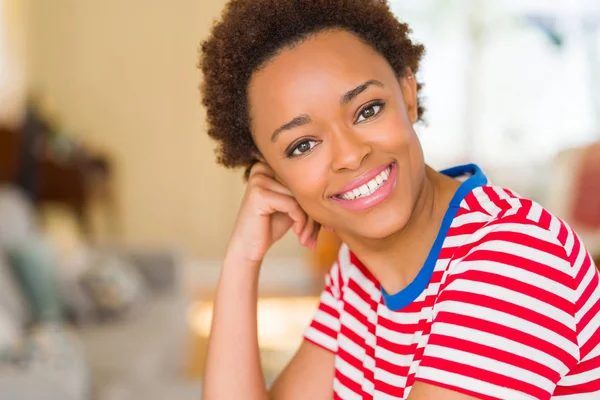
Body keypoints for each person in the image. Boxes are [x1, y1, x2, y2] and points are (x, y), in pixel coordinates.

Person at [198, 1, 600, 399]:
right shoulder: (357, 271)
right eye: (303, 145)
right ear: (272, 172)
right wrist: (242, 257)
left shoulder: (514, 258)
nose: (351, 155)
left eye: (367, 110)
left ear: (407, 94)